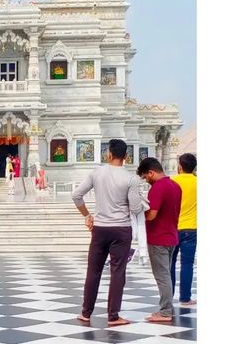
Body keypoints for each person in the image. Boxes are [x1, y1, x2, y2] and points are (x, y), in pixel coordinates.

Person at [72, 138, 144, 327]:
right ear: (126, 157)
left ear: (108, 154)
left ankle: (86, 313)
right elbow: (136, 208)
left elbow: (76, 195)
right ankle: (113, 316)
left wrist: (87, 215)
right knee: (117, 272)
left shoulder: (97, 173)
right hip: (121, 230)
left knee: (93, 271)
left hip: (100, 228)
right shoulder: (131, 178)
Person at [136, 156, 182, 324]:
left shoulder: (158, 188)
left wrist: (138, 212)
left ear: (151, 172)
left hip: (158, 238)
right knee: (166, 274)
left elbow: (152, 214)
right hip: (171, 235)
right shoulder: (175, 186)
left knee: (162, 276)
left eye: (145, 177)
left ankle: (165, 311)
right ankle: (166, 308)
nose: (146, 181)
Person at [170, 153, 197, 305]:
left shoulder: (172, 181)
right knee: (187, 264)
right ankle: (185, 297)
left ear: (179, 166)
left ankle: (169, 297)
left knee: (170, 264)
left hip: (173, 228)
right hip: (191, 228)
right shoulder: (197, 182)